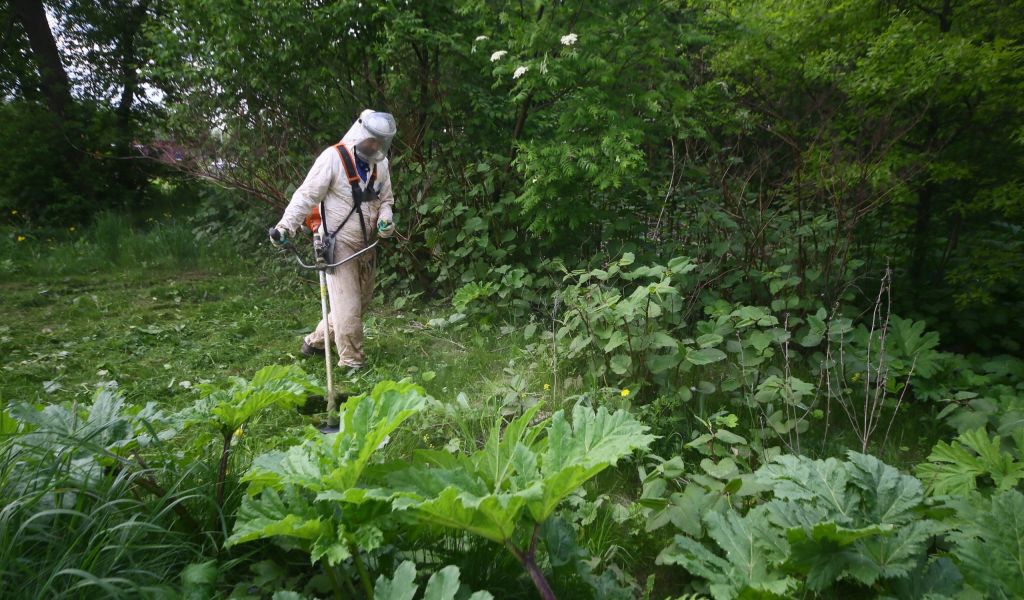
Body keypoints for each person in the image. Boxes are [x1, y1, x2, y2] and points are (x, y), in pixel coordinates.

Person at [270, 109, 397, 370]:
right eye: (372, 139)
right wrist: (285, 227)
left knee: (358, 304)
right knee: (349, 312)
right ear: (360, 132)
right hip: (337, 244)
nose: (375, 146)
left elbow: (386, 199)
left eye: (380, 142)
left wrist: (386, 219)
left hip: (367, 245)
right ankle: (352, 363)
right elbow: (306, 196)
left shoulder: (381, 165)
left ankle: (315, 342)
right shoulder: (333, 159)